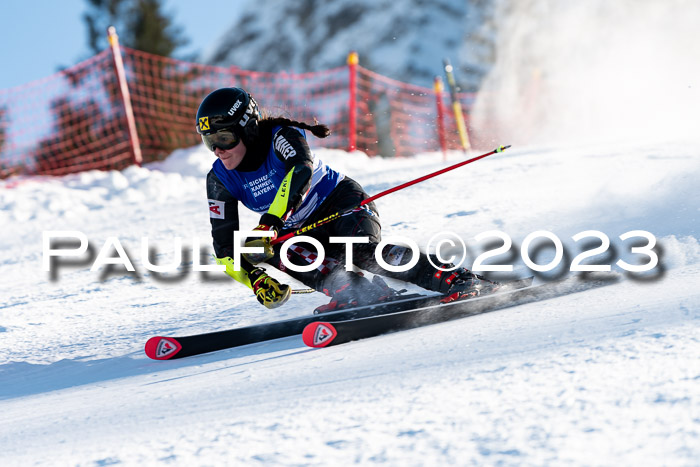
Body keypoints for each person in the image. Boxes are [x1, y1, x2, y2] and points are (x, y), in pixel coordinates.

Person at [197, 87, 487, 311]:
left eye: (224, 138)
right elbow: (224, 249)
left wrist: (270, 221)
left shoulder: (279, 136)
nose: (218, 150)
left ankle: (455, 278)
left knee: (362, 252)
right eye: (209, 141)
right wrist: (256, 280)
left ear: (247, 127)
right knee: (268, 249)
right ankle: (355, 292)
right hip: (300, 229)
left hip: (340, 203)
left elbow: (300, 170)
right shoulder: (219, 179)